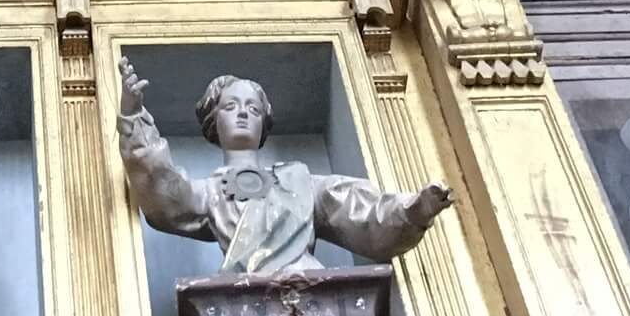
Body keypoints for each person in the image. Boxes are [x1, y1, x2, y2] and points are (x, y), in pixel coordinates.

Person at [116, 56, 450, 274]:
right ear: (212, 121)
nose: (243, 113)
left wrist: (414, 210)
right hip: (239, 299)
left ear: (264, 121)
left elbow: (358, 211)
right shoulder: (209, 192)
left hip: (313, 292)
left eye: (253, 108)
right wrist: (133, 117)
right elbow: (163, 192)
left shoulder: (300, 180)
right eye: (231, 106)